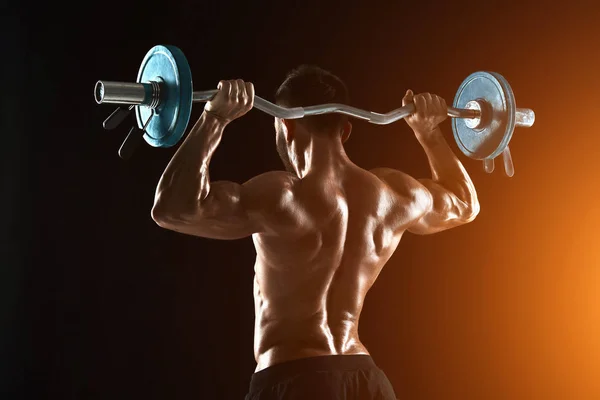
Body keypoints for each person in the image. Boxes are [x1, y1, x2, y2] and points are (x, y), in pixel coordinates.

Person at [150, 65, 480, 400]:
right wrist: (429, 134)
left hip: (296, 378)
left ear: (286, 124)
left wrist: (214, 120)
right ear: (346, 130)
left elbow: (173, 209)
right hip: (367, 381)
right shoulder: (393, 195)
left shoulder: (281, 196)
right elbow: (465, 204)